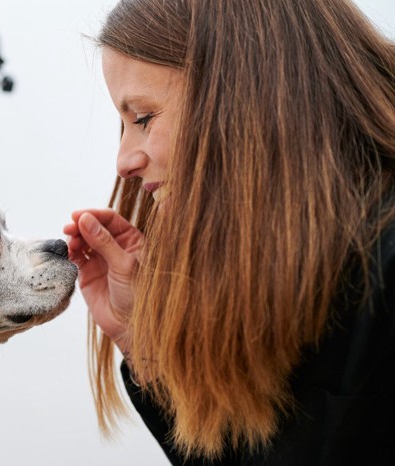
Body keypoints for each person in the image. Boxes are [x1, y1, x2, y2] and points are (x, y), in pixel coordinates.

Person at [63, 0, 395, 464]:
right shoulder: (280, 280)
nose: (124, 161)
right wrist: (147, 348)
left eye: (142, 118)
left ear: (250, 90)